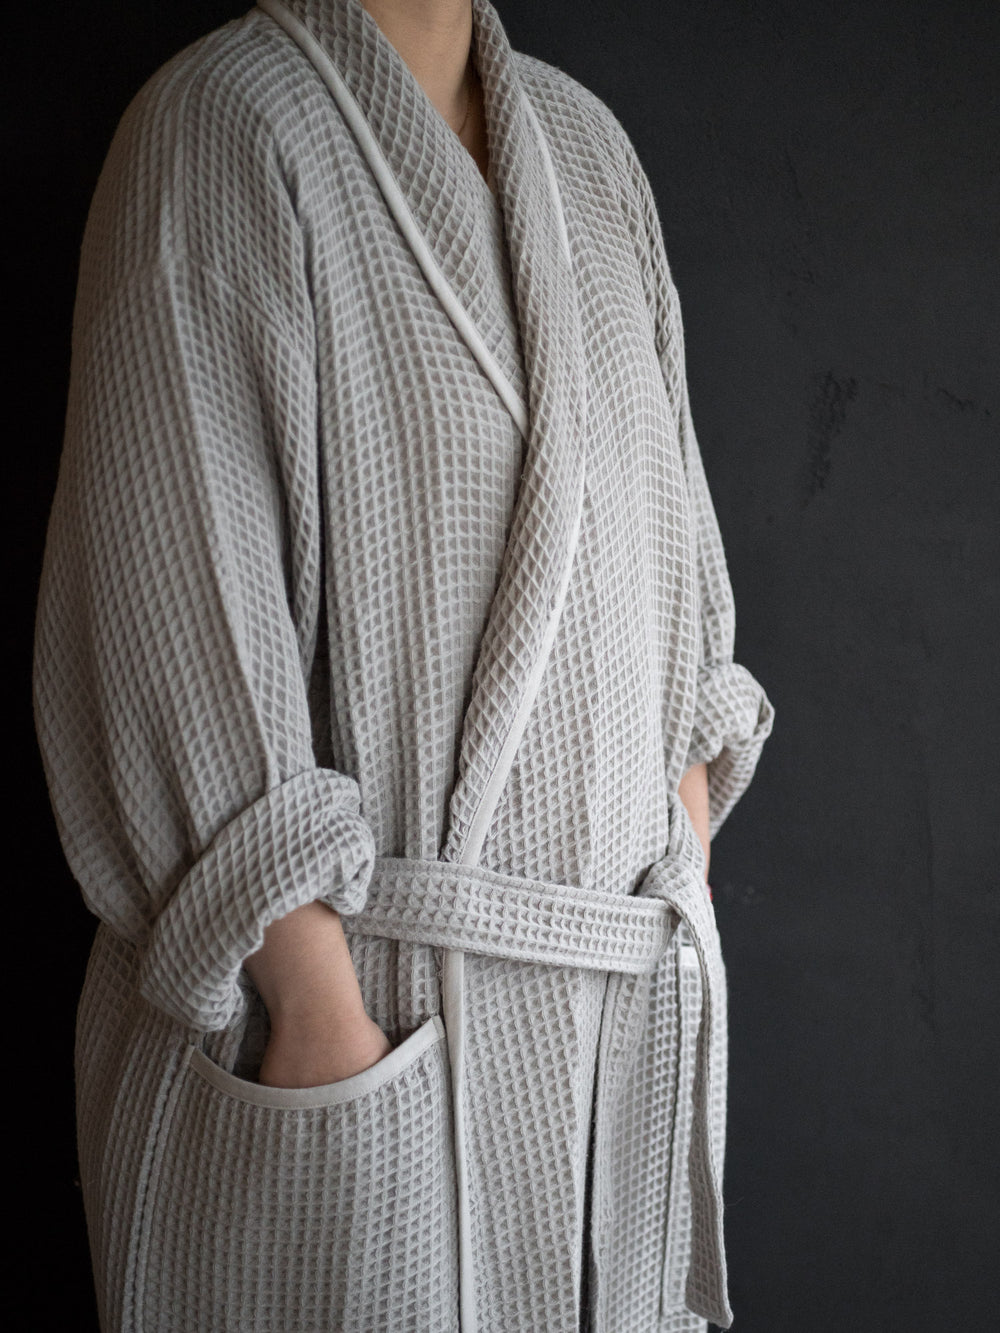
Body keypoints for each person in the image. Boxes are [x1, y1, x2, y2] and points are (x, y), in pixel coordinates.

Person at [32, 0, 775, 1329]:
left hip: (609, 1058)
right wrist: (316, 1016)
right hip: (343, 1035)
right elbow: (170, 605)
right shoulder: (218, 128)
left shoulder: (590, 152)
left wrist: (682, 832)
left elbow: (676, 569)